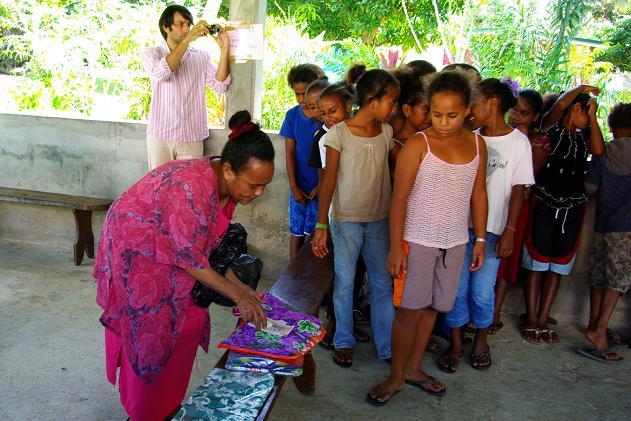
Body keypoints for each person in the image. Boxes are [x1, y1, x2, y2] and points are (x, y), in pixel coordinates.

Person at [93, 113, 274, 421]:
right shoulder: (190, 189)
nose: (259, 193)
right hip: (136, 253)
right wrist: (237, 295)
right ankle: (143, 413)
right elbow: (189, 258)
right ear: (229, 170)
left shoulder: (226, 186)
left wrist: (241, 288)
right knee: (152, 333)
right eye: (254, 185)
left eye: (264, 186)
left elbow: (206, 249)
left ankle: (165, 405)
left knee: (188, 321)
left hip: (171, 250)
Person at [366, 70, 488, 405]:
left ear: (467, 111)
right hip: (417, 241)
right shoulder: (419, 145)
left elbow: (478, 193)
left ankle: (413, 369)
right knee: (409, 311)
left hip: (455, 242)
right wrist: (396, 247)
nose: (443, 122)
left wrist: (479, 240)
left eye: (452, 115)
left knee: (434, 308)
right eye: (436, 114)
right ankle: (395, 377)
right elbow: (399, 199)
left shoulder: (478, 145)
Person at [441, 78, 534, 372]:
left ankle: (481, 339)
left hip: (493, 230)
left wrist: (509, 231)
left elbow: (518, 190)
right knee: (456, 288)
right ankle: (456, 342)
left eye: (474, 103)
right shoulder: (469, 137)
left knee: (482, 290)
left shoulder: (518, 142)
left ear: (493, 103)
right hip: (459, 227)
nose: (470, 109)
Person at [312, 69, 399, 369]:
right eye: (391, 102)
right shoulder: (339, 134)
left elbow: (394, 171)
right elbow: (328, 182)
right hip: (346, 220)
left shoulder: (386, 133)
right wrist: (321, 225)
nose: (394, 108)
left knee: (382, 284)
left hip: (379, 220)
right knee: (345, 282)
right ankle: (344, 340)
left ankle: (387, 346)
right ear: (373, 100)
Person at [520, 85, 605, 344]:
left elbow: (599, 151)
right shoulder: (551, 128)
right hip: (544, 202)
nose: (589, 119)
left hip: (572, 207)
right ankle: (531, 317)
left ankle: (543, 319)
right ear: (576, 108)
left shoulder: (584, 138)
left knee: (557, 265)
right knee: (536, 262)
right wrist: (580, 89)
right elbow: (558, 106)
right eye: (587, 113)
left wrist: (592, 118)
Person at [140, 4, 231, 170]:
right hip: (160, 135)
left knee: (189, 185)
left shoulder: (201, 57)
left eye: (188, 25)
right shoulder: (151, 53)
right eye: (181, 24)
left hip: (191, 136)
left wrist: (224, 48)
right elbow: (161, 74)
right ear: (166, 27)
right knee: (159, 184)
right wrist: (188, 39)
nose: (186, 29)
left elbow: (220, 86)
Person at [489, 88, 547, 334]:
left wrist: (521, 137)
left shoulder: (535, 141)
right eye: (514, 111)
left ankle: (495, 312)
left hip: (516, 207)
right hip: (490, 203)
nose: (516, 117)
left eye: (524, 113)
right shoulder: (492, 135)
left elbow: (526, 177)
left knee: (505, 260)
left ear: (535, 117)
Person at [579, 103, 631, 363]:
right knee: (618, 280)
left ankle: (593, 324)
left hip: (602, 225)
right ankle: (600, 330)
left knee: (599, 276)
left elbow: (590, 188)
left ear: (612, 127)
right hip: (627, 227)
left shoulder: (602, 152)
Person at [280, 64, 324, 260]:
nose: (301, 99)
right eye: (297, 94)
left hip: (322, 188)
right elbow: (290, 152)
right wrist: (294, 187)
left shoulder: (325, 117)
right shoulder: (292, 116)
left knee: (316, 236)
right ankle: (292, 274)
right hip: (299, 187)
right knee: (296, 233)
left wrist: (322, 185)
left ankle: (312, 274)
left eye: (304, 93)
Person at [391, 68, 431, 163]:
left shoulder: (433, 139)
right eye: (426, 110)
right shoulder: (394, 146)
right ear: (407, 110)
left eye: (434, 111)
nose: (431, 116)